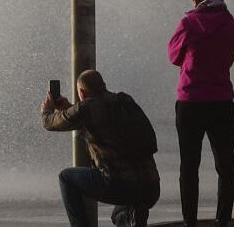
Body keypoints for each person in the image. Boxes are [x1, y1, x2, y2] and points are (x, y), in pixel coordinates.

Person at [40, 69, 160, 227]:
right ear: (103, 85)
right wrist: (69, 107)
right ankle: (132, 214)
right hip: (151, 187)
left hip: (119, 184)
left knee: (66, 178)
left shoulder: (86, 109)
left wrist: (46, 111)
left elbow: (49, 122)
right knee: (119, 215)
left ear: (82, 91)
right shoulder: (125, 101)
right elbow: (99, 119)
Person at [169, 0, 234, 227]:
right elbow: (229, 55)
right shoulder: (231, 23)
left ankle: (190, 221)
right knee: (225, 164)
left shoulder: (189, 23)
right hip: (221, 100)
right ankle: (223, 219)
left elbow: (174, 56)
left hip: (190, 101)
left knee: (189, 166)